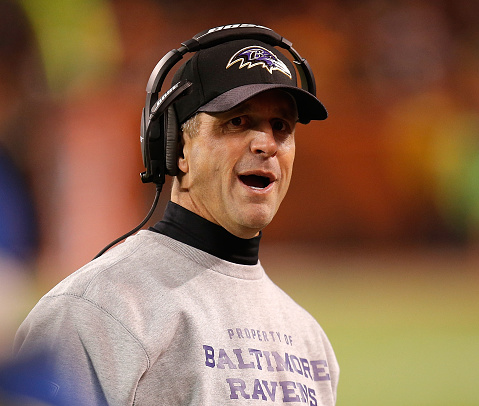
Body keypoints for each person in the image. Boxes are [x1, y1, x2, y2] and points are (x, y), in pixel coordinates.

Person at [13, 24, 339, 405]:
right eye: (237, 121)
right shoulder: (95, 312)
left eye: (281, 126)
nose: (266, 143)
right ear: (177, 148)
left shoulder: (308, 339)